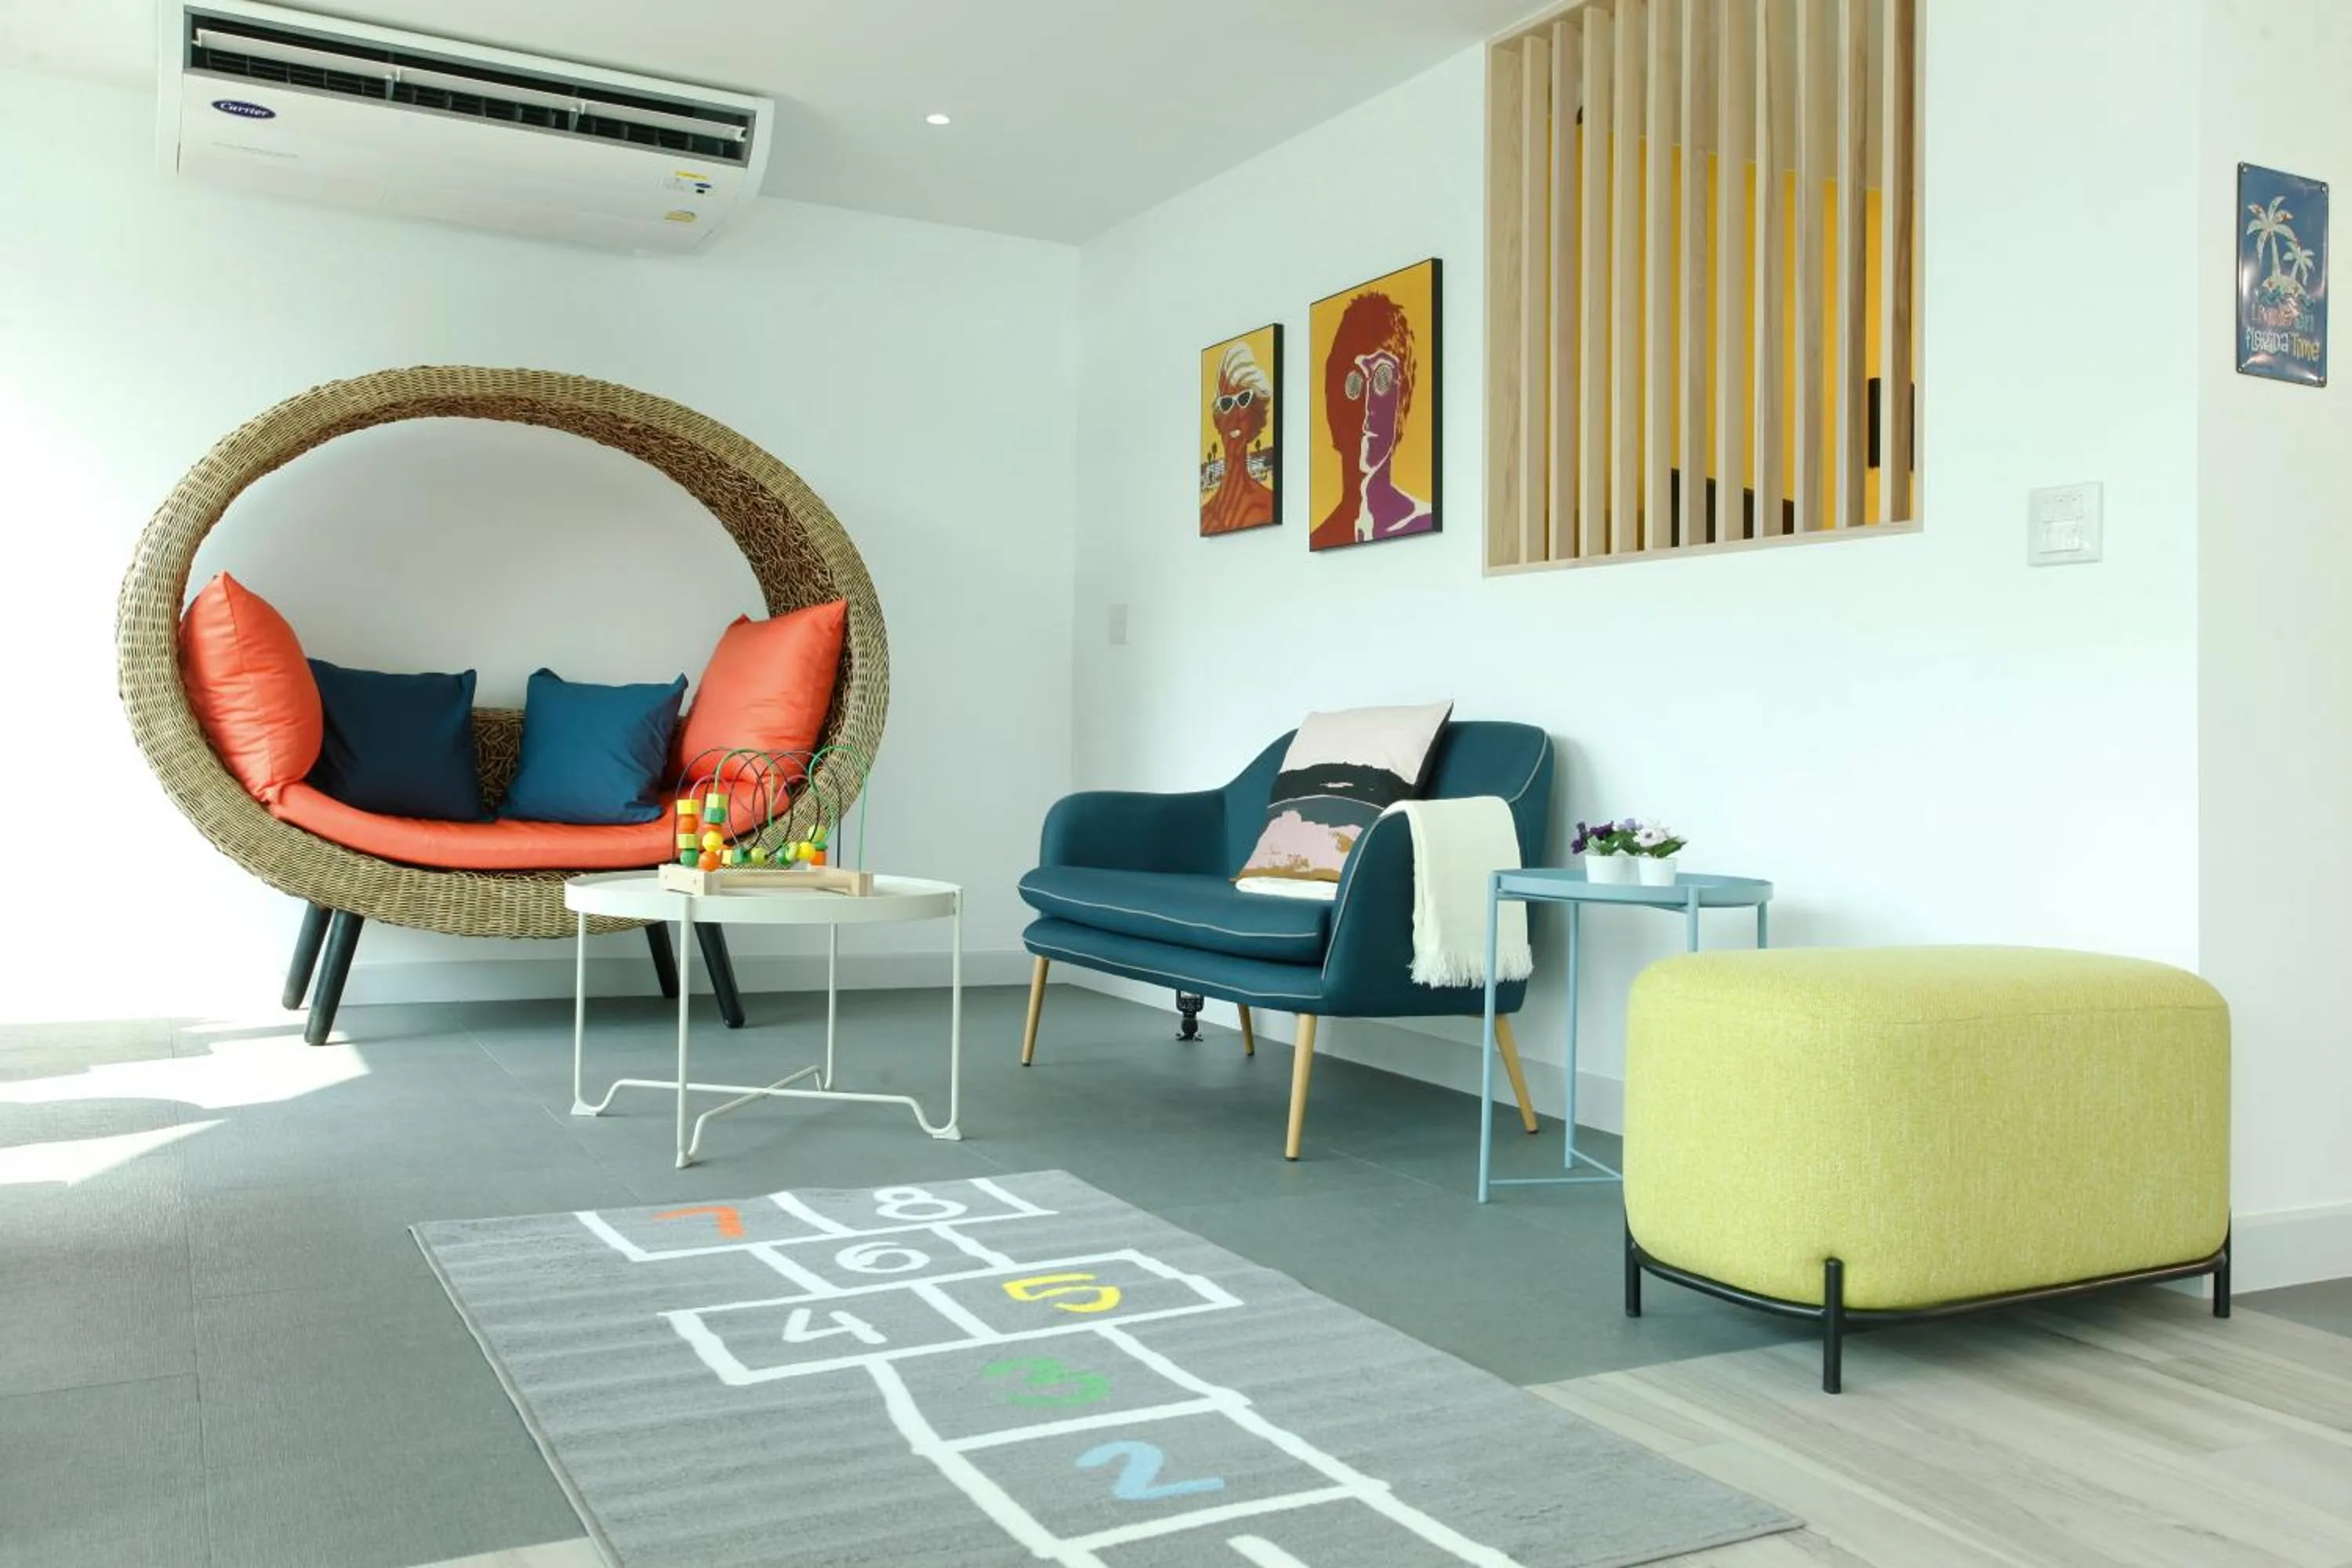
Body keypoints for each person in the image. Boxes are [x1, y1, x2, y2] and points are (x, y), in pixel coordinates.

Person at [1312, 291, 1432, 549]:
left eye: (1382, 380)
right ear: (1333, 401)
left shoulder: (1426, 520)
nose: (1367, 405)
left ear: (1402, 399)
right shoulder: (1319, 539)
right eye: (1354, 383)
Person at [1200, 340, 1276, 534]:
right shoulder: (1206, 516)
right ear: (1218, 417)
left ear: (1256, 411)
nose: (1235, 414)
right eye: (1226, 403)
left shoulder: (1269, 503)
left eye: (1243, 399)